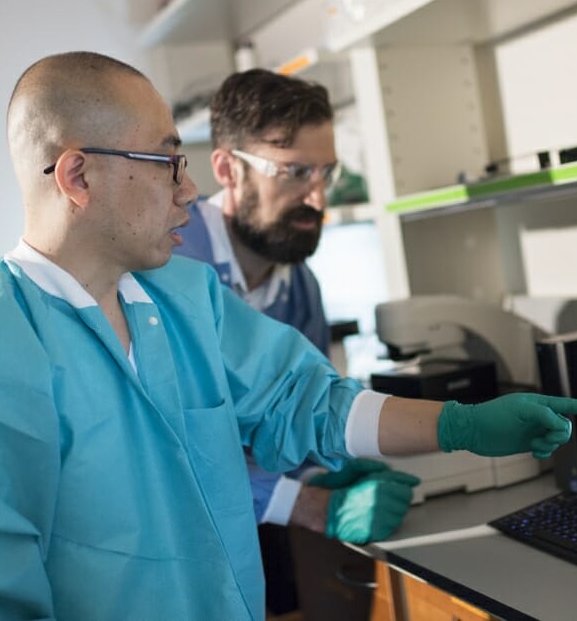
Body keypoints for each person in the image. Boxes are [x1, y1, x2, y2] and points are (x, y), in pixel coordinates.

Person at [0, 51, 577, 620]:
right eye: (167, 162)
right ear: (77, 177)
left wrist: (464, 425)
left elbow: (306, 402)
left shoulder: (179, 298)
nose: (188, 190)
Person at [174, 69, 414, 613]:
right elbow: (178, 450)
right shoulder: (169, 267)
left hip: (256, 537)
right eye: (295, 171)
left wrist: (324, 467)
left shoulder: (299, 285)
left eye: (326, 172)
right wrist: (313, 506)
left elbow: (297, 420)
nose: (317, 196)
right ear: (227, 168)